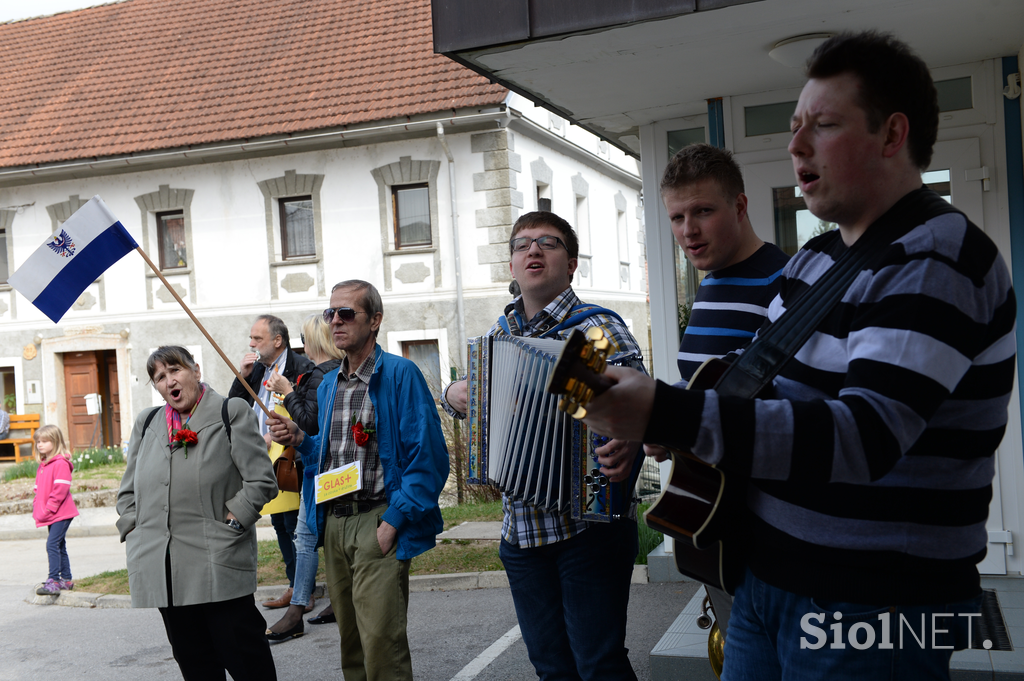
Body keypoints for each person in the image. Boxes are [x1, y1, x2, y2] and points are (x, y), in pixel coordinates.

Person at [579, 32, 1016, 681]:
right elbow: (766, 398)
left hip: (874, 604)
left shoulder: (937, 259)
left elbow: (864, 437)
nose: (796, 145)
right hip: (765, 579)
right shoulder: (813, 257)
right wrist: (675, 422)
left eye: (824, 125)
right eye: (793, 127)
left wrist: (673, 415)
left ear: (892, 135)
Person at [442, 211, 646, 681]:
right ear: (512, 266)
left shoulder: (592, 331)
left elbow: (633, 409)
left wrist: (628, 440)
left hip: (586, 529)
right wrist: (453, 395)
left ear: (571, 263)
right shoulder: (498, 338)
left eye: (547, 243)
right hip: (522, 532)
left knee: (599, 665)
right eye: (521, 245)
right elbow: (466, 399)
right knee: (551, 667)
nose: (532, 250)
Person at [268, 280, 449, 681]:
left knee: (382, 645)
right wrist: (300, 439)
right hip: (333, 521)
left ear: (375, 320)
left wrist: (394, 522)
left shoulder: (400, 374)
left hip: (378, 520)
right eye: (330, 313)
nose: (335, 321)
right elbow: (327, 456)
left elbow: (430, 459)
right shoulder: (331, 383)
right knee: (350, 645)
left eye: (347, 313)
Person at [116, 346, 279, 681]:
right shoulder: (147, 422)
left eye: (175, 370)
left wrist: (233, 523)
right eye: (160, 377)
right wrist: (134, 530)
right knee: (195, 666)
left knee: (247, 662)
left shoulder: (229, 412)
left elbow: (261, 481)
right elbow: (128, 490)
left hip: (217, 561)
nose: (169, 381)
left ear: (195, 370)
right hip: (165, 568)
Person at [664, 143, 789, 384]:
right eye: (677, 217)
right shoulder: (710, 281)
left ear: (739, 207)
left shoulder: (783, 281)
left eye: (703, 211)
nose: (688, 231)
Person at [265, 312, 345, 639]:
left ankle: (297, 610)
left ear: (313, 341)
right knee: (326, 538)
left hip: (317, 470)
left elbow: (310, 423)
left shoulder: (319, 375)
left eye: (304, 338)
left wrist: (287, 392)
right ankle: (336, 602)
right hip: (333, 469)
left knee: (308, 538)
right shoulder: (339, 371)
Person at [230, 314, 314, 610]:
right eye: (251, 338)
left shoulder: (301, 367)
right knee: (278, 522)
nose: (251, 343)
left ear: (277, 341)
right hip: (260, 457)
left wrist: (277, 437)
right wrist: (242, 374)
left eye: (257, 339)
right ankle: (296, 584)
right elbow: (235, 404)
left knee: (294, 523)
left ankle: (303, 589)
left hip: (289, 457)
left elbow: (307, 416)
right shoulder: (256, 370)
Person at [32, 425, 78, 596]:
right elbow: (38, 490)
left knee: (52, 544)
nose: (40, 445)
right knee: (59, 544)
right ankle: (66, 579)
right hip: (52, 513)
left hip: (61, 512)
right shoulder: (43, 465)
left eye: (44, 441)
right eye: (38, 442)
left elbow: (60, 490)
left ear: (55, 441)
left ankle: (54, 580)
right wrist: (37, 507)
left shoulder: (60, 464)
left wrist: (49, 509)